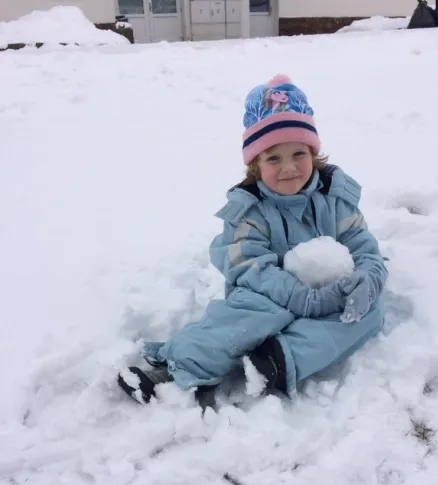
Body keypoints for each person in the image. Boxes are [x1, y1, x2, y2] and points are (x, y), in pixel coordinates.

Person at [118, 74, 388, 411]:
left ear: (313, 153)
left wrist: (368, 278)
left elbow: (363, 245)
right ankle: (179, 370)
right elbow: (247, 264)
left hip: (330, 293)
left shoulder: (336, 199)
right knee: (244, 322)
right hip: (267, 295)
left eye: (298, 154)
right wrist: (301, 298)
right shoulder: (249, 210)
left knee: (368, 312)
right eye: (273, 158)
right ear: (255, 165)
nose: (289, 167)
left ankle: (276, 360)